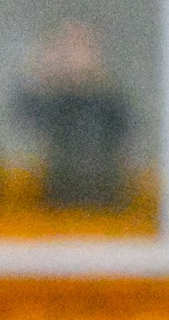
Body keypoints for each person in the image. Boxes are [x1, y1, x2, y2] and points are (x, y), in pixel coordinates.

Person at [14, 20, 132, 209]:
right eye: (66, 49)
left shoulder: (110, 100)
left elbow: (124, 140)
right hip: (60, 200)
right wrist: (40, 72)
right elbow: (24, 114)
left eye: (79, 47)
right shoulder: (55, 100)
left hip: (105, 201)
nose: (72, 57)